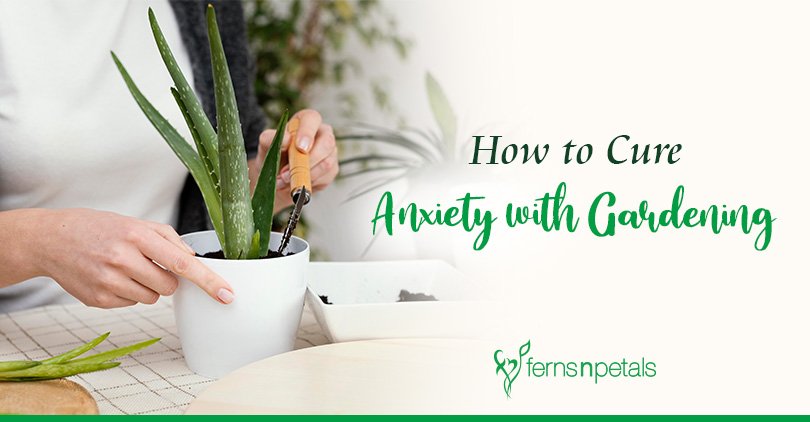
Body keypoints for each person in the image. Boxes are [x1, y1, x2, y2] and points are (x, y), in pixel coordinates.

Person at [0, 0, 338, 312]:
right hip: (21, 337)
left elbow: (228, 187)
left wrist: (271, 181)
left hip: (172, 324)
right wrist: (42, 241)